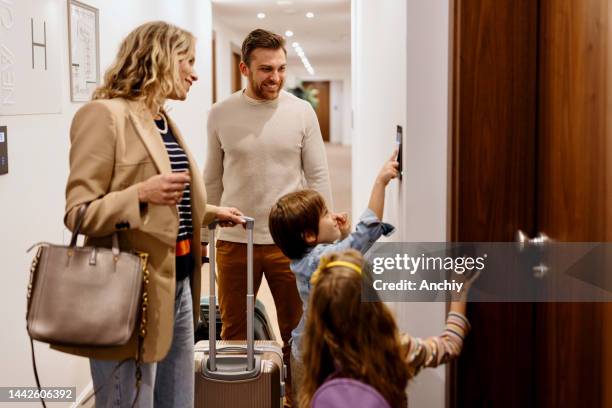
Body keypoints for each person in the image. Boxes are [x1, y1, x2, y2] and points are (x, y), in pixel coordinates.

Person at [60, 21, 244, 407]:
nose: (195, 73)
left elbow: (167, 201)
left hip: (178, 286)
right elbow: (79, 214)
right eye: (187, 61)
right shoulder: (104, 116)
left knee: (178, 402)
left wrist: (209, 213)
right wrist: (140, 194)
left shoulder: (163, 120)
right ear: (159, 57)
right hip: (126, 293)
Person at [203, 28, 332, 406]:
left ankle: (296, 398)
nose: (275, 77)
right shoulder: (220, 113)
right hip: (233, 241)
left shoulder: (301, 111)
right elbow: (212, 178)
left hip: (289, 243)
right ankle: (240, 397)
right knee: (234, 331)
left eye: (280, 68)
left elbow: (319, 175)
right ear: (244, 68)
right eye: (265, 69)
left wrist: (322, 235)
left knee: (297, 330)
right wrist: (203, 235)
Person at [268, 151, 399, 402]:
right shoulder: (317, 260)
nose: (333, 215)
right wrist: (380, 181)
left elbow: (339, 253)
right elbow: (363, 235)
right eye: (326, 213)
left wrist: (341, 234)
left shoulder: (306, 258)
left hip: (305, 350)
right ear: (308, 235)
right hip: (317, 357)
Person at [298, 249, 472, 408]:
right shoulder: (395, 349)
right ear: (373, 307)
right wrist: (458, 294)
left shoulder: (318, 356)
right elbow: (449, 345)